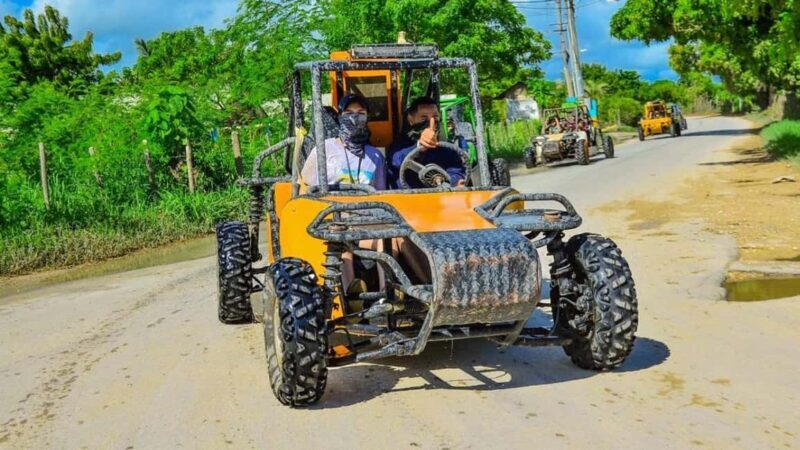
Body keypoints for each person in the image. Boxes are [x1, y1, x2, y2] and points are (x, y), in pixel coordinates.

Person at [301, 94, 387, 190]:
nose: (354, 118)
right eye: (349, 113)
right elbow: (304, 188)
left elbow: (380, 194)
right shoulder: (324, 149)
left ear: (367, 117)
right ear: (340, 117)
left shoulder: (376, 157)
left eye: (361, 113)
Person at [387, 97, 466, 188]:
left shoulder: (447, 148)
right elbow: (397, 160)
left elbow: (456, 170)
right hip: (407, 199)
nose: (431, 122)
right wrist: (420, 146)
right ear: (411, 119)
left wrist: (455, 181)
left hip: (439, 198)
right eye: (423, 118)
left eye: (435, 117)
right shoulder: (399, 145)